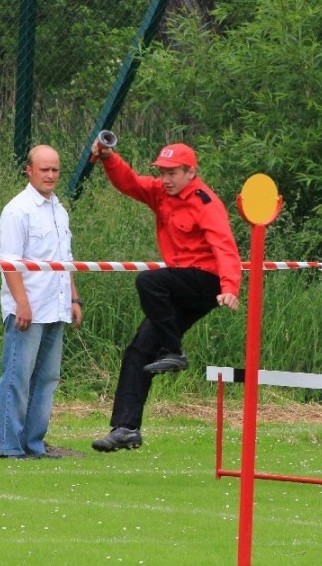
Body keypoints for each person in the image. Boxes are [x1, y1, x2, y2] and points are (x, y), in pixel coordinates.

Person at [89, 139, 241, 452]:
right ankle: (126, 428)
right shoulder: (160, 192)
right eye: (162, 172)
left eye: (172, 173)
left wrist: (229, 288)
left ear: (191, 172)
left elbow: (225, 247)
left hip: (205, 281)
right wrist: (108, 157)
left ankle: (174, 351)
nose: (166, 178)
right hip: (179, 282)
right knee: (138, 350)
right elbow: (129, 183)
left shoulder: (205, 202)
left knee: (149, 281)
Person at [0, 145, 82, 459]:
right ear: (29, 170)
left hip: (56, 308)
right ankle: (5, 445)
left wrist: (74, 298)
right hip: (28, 309)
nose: (51, 175)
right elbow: (10, 262)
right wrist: (21, 304)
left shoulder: (59, 210)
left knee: (47, 379)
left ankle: (33, 445)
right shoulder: (17, 210)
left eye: (55, 169)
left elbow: (65, 261)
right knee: (17, 377)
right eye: (45, 169)